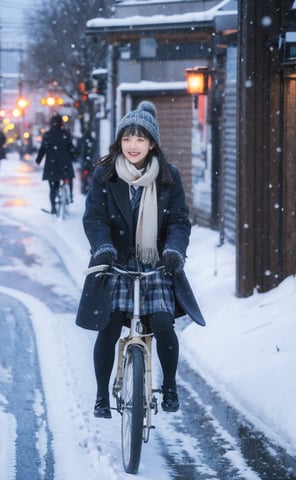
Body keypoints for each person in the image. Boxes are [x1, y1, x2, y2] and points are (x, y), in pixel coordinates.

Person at [76, 101, 205, 419]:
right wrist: (102, 247)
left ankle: (170, 387)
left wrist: (174, 251)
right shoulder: (105, 176)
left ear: (152, 143)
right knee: (108, 326)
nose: (133, 146)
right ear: (119, 142)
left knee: (163, 322)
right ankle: (101, 397)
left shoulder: (168, 177)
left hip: (156, 263)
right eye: (127, 139)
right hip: (116, 261)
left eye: (140, 139)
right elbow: (95, 218)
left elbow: (178, 221)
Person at [35, 114, 76, 213]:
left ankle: (53, 207)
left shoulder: (48, 135)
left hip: (52, 164)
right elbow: (71, 147)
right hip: (65, 162)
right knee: (67, 179)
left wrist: (38, 159)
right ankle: (69, 196)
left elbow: (43, 149)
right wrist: (74, 155)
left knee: (53, 186)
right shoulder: (65, 134)